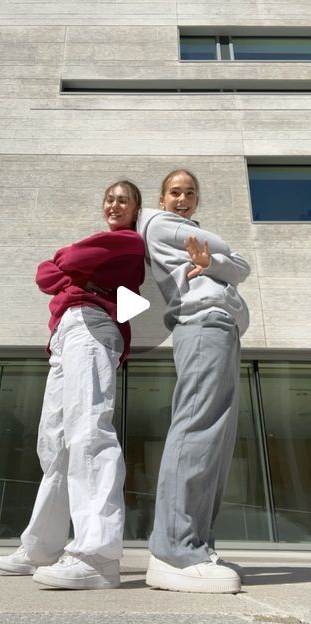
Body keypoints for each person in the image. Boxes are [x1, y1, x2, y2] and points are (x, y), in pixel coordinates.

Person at [0, 180, 145, 590]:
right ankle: (42, 547)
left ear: (135, 210)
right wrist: (69, 271)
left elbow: (65, 261)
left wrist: (69, 267)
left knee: (88, 432)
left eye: (123, 200)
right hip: (66, 333)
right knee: (55, 443)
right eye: (109, 198)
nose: (115, 204)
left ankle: (98, 555)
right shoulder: (106, 248)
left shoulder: (127, 242)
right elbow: (44, 275)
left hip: (92, 326)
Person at [136, 169, 250, 594]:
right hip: (202, 323)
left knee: (216, 441)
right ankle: (173, 550)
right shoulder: (162, 224)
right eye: (175, 192)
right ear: (162, 198)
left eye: (190, 193)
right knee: (197, 430)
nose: (182, 198)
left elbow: (238, 265)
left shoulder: (189, 232)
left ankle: (197, 544)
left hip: (220, 327)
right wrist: (223, 261)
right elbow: (239, 263)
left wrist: (217, 263)